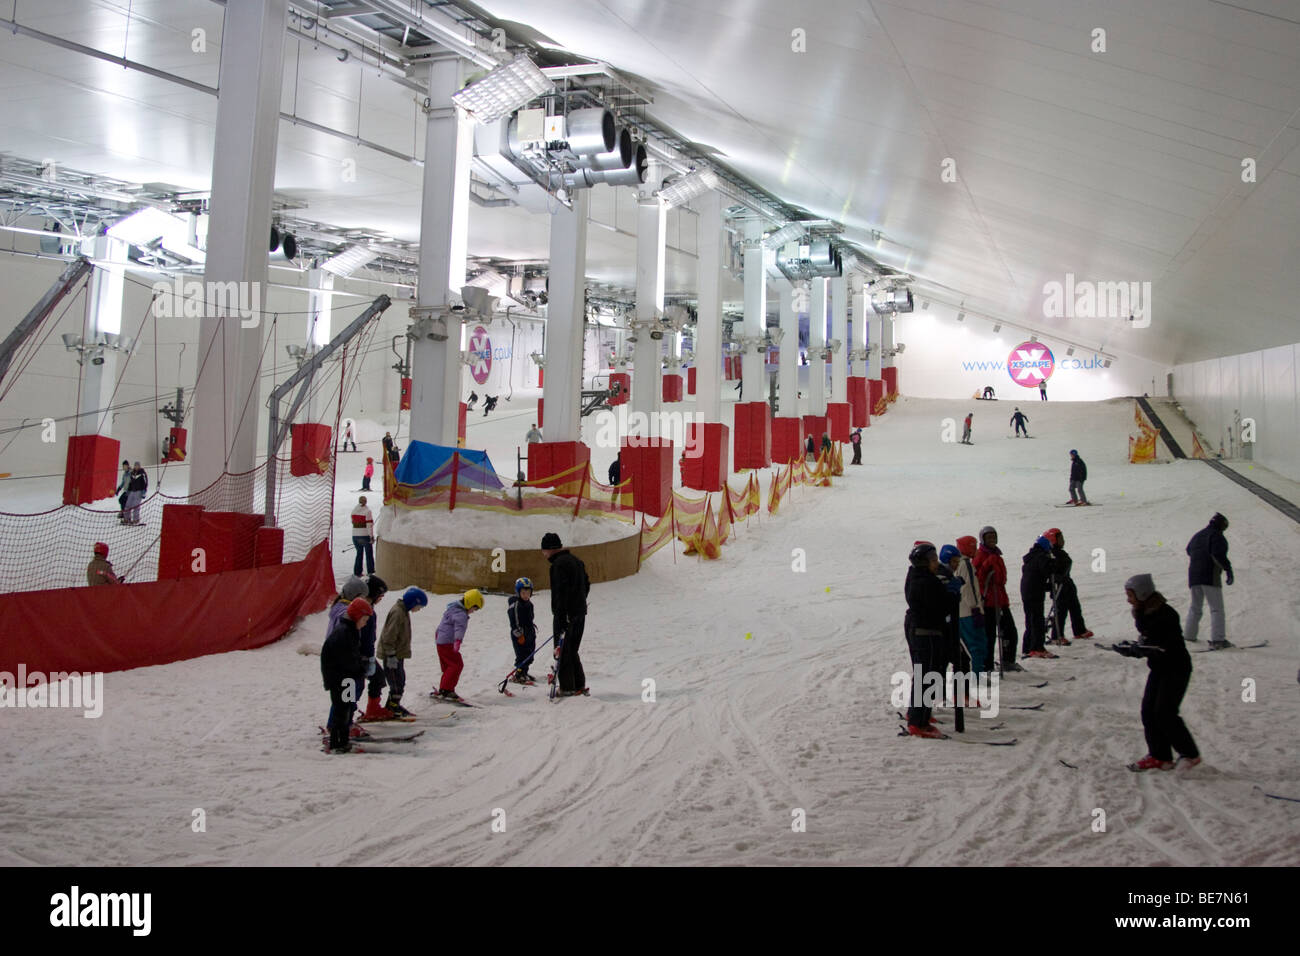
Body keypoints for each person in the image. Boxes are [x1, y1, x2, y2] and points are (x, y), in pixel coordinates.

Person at [1116, 574, 1200, 771]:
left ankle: (1190, 754)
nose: (1128, 599)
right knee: (1148, 711)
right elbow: (1148, 643)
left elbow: (1162, 646)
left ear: (1142, 593)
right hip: (1159, 667)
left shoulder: (1165, 614)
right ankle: (1160, 755)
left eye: (1131, 595)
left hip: (1176, 668)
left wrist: (1139, 649)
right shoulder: (1143, 611)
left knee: (1165, 712)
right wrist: (1132, 648)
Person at [903, 542, 948, 737]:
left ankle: (919, 716)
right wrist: (951, 596)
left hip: (926, 631)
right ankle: (918, 722)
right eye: (933, 560)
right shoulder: (924, 581)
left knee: (927, 676)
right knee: (926, 677)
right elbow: (939, 606)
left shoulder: (922, 578)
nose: (936, 563)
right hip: (925, 633)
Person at [542, 532, 590, 695]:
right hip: (580, 613)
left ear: (550, 549)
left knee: (562, 650)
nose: (544, 555)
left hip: (565, 614)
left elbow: (560, 593)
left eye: (544, 551)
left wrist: (561, 615)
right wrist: (580, 603)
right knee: (572, 649)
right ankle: (578, 684)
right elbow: (586, 584)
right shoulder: (577, 561)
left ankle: (568, 687)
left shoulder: (558, 565)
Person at [322, 597, 372, 753]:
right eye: (364, 619)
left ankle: (343, 739)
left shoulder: (351, 630)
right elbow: (346, 660)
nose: (365, 623)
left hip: (347, 678)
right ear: (357, 616)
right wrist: (361, 668)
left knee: (348, 707)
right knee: (342, 710)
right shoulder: (344, 633)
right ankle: (338, 742)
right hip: (341, 679)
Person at [973, 525, 1022, 672]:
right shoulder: (980, 555)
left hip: (1000, 599)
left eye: (994, 537)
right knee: (989, 635)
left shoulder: (997, 555)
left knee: (1010, 632)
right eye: (989, 537)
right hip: (988, 601)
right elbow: (977, 578)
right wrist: (988, 565)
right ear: (983, 539)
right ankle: (987, 665)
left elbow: (1002, 579)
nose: (992, 540)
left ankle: (1008, 660)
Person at [1185, 513, 1232, 648]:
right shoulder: (1217, 536)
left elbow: (1188, 550)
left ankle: (1189, 635)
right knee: (1216, 608)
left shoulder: (1198, 535)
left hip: (1193, 576)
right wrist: (1228, 569)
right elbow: (1217, 554)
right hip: (1209, 576)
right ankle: (1218, 640)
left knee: (1195, 607)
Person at [379, 587, 426, 718]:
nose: (419, 609)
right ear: (413, 602)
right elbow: (389, 636)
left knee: (400, 680)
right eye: (419, 606)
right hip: (392, 655)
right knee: (396, 682)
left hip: (397, 654)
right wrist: (390, 654)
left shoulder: (403, 611)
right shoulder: (398, 613)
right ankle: (391, 707)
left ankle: (393, 705)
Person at [1042, 528, 1093, 644]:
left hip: (1067, 583)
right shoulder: (1052, 554)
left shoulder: (1060, 552)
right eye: (1060, 539)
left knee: (1075, 607)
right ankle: (1057, 635)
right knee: (1061, 611)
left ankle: (1079, 630)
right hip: (1060, 586)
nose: (1063, 541)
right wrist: (1058, 580)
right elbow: (1051, 572)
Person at [950, 538, 988, 686]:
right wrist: (976, 607)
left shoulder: (959, 563)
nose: (976, 549)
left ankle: (974, 677)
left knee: (969, 646)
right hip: (970, 612)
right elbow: (969, 588)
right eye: (973, 546)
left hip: (961, 611)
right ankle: (977, 677)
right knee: (977, 645)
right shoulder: (966, 564)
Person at [433, 589, 483, 700]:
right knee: (456, 665)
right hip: (448, 643)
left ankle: (444, 688)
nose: (473, 611)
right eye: (474, 608)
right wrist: (458, 641)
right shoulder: (461, 614)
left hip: (441, 642)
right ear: (470, 603)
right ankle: (446, 690)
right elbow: (459, 628)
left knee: (448, 667)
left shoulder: (452, 609)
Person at [357, 575, 389, 721]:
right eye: (380, 596)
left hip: (362, 655)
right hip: (356, 658)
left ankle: (373, 709)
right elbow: (365, 638)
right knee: (350, 693)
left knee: (378, 678)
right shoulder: (363, 611)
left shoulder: (366, 609)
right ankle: (341, 725)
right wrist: (367, 657)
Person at [1020, 535, 1057, 659]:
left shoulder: (1031, 557)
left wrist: (1046, 587)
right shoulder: (1041, 557)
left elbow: (1035, 577)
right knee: (1037, 620)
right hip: (1034, 593)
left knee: (1030, 620)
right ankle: (1037, 647)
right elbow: (1048, 570)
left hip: (1027, 591)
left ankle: (1028, 647)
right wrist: (1052, 562)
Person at [507, 576, 537, 684]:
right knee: (522, 655)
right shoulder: (515, 605)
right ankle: (519, 674)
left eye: (528, 593)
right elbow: (514, 621)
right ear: (518, 592)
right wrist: (519, 634)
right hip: (520, 633)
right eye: (523, 593)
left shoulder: (529, 604)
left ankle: (524, 671)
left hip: (529, 632)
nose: (526, 595)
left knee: (530, 653)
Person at [350, 496, 375, 576]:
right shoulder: (367, 511)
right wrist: (371, 536)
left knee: (359, 554)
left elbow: (352, 522)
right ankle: (370, 572)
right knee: (369, 554)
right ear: (365, 502)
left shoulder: (354, 511)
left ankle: (357, 572)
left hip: (355, 536)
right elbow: (369, 525)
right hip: (364, 536)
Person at [122, 461, 148, 525]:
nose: (136, 467)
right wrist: (128, 490)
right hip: (132, 491)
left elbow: (145, 482)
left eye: (137, 465)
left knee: (135, 505)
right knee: (128, 505)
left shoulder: (142, 473)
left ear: (139, 466)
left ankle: (136, 520)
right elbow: (130, 483)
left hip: (139, 491)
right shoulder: (132, 473)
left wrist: (144, 491)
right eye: (135, 465)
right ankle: (126, 518)